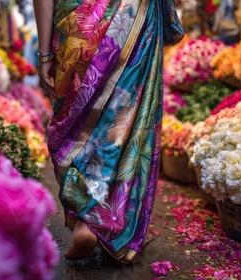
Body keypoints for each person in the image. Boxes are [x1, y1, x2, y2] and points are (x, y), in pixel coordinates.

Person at [33, 0, 178, 264]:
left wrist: (44, 55)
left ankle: (85, 217)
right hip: (134, 17)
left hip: (77, 27)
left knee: (77, 126)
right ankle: (96, 221)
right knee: (125, 120)